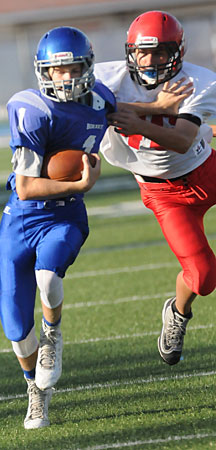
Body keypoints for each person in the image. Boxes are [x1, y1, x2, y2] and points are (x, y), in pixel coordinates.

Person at [0, 26, 116, 429]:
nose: (65, 77)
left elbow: (124, 114)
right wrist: (81, 183)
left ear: (87, 66)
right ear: (43, 71)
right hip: (21, 217)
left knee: (48, 275)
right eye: (57, 69)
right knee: (14, 325)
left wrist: (162, 112)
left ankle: (54, 334)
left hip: (65, 216)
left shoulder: (100, 98)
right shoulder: (31, 108)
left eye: (72, 68)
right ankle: (36, 389)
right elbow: (28, 188)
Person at [94, 11, 216, 366]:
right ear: (130, 51)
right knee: (204, 277)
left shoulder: (200, 81)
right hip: (164, 194)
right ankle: (178, 313)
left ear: (177, 52)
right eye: (143, 52)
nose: (150, 61)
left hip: (205, 167)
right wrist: (154, 108)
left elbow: (180, 140)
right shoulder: (106, 76)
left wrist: (136, 114)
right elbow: (68, 104)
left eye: (160, 53)